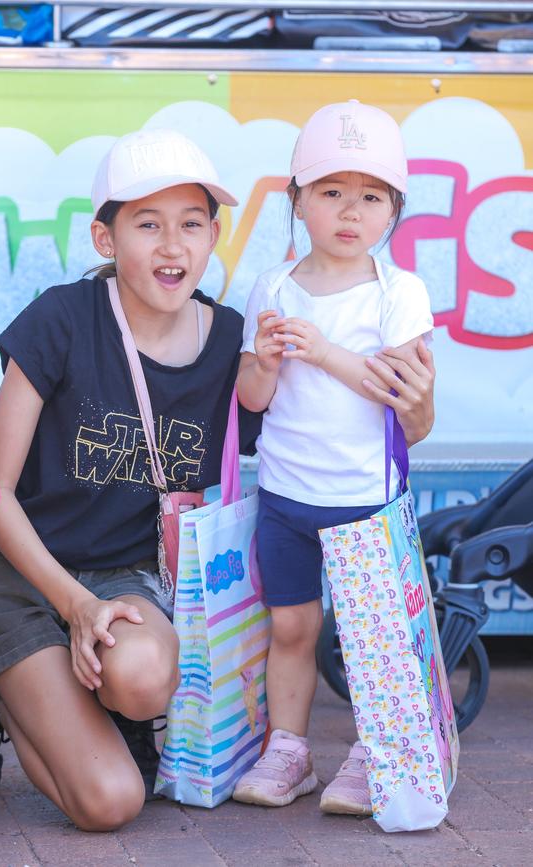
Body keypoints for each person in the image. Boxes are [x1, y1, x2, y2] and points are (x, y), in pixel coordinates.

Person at [0, 123, 433, 831]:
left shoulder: (234, 340)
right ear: (107, 239)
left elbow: (335, 427)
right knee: (110, 803)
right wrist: (72, 605)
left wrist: (415, 407)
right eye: (147, 224)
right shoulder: (62, 320)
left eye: (192, 223)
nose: (172, 246)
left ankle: (75, 702)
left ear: (214, 234)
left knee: (140, 683)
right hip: (24, 576)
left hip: (131, 579)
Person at [232, 99, 435, 816]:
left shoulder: (399, 293)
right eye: (330, 191)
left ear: (393, 211)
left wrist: (319, 348)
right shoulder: (273, 286)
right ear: (296, 201)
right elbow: (253, 399)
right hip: (286, 496)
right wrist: (264, 359)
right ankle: (288, 748)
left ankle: (371, 753)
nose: (351, 211)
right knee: (290, 627)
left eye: (371, 196)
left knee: (368, 639)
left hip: (366, 501)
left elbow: (398, 391)